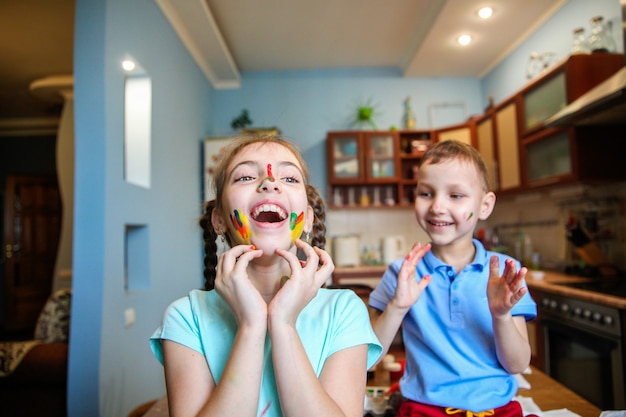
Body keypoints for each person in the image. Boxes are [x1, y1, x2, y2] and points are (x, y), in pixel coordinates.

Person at [150, 135, 382, 417]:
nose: (269, 182)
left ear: (307, 218)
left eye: (290, 178)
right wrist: (251, 325)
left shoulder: (344, 311)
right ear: (219, 219)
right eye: (246, 177)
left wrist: (283, 324)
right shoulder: (186, 317)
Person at [369, 140, 537, 417]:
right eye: (426, 193)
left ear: (484, 205)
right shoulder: (403, 273)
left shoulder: (506, 272)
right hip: (423, 409)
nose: (437, 206)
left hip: (497, 409)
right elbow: (367, 361)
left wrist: (502, 315)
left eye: (456, 195)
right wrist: (397, 307)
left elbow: (517, 364)